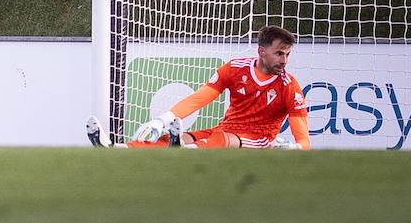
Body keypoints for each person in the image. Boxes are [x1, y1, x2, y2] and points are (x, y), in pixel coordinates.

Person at [87, 25, 311, 150]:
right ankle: (117, 149)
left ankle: (186, 152)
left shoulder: (289, 86)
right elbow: (200, 98)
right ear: (261, 51)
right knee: (177, 138)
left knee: (223, 141)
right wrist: (162, 120)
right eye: (279, 53)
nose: (284, 60)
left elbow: (303, 137)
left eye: (287, 54)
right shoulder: (235, 69)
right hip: (224, 130)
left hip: (258, 141)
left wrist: (297, 149)